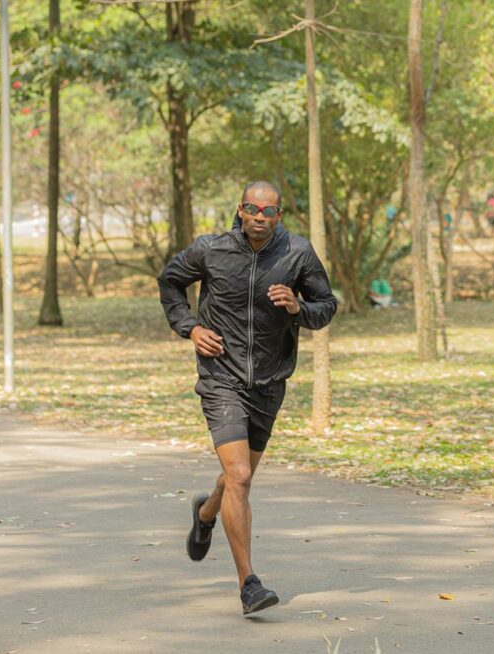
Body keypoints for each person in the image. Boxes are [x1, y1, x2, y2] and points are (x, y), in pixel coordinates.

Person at [157, 180, 337, 615]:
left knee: (238, 479)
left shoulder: (297, 253)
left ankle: (205, 513)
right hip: (221, 377)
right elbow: (170, 282)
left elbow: (326, 305)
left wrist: (297, 308)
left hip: (270, 382)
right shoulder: (210, 249)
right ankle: (249, 584)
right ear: (239, 210)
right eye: (252, 208)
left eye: (268, 210)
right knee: (238, 475)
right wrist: (191, 328)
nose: (259, 216)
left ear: (279, 216)